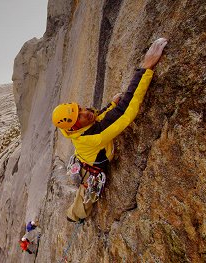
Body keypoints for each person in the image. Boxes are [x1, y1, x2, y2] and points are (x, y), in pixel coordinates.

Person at [52, 38, 168, 222]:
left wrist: (109, 104)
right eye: (79, 115)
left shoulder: (80, 128)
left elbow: (99, 118)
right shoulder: (92, 137)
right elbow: (125, 113)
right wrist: (146, 69)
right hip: (93, 166)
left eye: (80, 108)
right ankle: (74, 217)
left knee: (84, 188)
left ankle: (74, 213)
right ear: (74, 127)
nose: (85, 112)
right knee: (85, 196)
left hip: (86, 156)